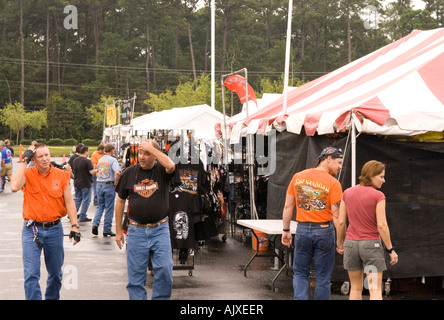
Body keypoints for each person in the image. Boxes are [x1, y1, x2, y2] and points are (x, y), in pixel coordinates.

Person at [10, 143, 81, 300]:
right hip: (31, 230)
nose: (45, 159)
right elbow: (14, 186)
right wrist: (24, 161)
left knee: (56, 274)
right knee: (31, 274)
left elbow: (69, 202)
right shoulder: (27, 174)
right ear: (33, 160)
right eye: (40, 156)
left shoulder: (61, 175)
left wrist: (75, 226)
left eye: (47, 155)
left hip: (55, 230)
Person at [115, 139, 175, 300]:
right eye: (140, 152)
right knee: (135, 277)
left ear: (155, 155)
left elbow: (171, 166)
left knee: (164, 269)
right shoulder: (129, 172)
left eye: (147, 153)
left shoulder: (162, 171)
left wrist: (153, 149)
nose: (142, 157)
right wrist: (118, 232)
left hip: (160, 229)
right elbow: (120, 201)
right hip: (136, 231)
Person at [282, 146, 343, 300]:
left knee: (300, 273)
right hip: (324, 231)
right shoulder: (333, 183)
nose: (340, 167)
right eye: (338, 162)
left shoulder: (298, 177)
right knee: (323, 278)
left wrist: (286, 230)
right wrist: (341, 240)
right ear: (328, 159)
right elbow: (337, 216)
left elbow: (288, 206)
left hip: (302, 230)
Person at [336, 160, 398, 300]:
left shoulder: (347, 193)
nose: (384, 180)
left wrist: (340, 243)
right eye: (381, 176)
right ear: (371, 175)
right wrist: (390, 249)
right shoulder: (378, 196)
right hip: (370, 246)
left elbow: (341, 222)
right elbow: (382, 225)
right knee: (374, 289)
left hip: (351, 245)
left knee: (355, 289)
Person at [92, 144, 120, 236]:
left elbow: (97, 170)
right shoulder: (113, 160)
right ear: (112, 151)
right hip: (108, 184)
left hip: (99, 184)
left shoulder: (101, 159)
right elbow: (117, 172)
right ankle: (107, 229)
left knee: (100, 206)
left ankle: (95, 224)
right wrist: (116, 182)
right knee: (109, 207)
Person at [72, 145, 96, 222]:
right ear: (86, 152)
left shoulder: (75, 160)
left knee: (78, 199)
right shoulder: (87, 161)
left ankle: (72, 214)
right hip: (85, 183)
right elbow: (91, 171)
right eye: (88, 151)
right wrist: (97, 170)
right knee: (86, 200)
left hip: (77, 182)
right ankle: (82, 215)